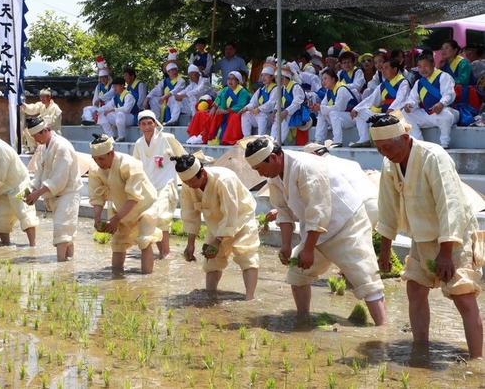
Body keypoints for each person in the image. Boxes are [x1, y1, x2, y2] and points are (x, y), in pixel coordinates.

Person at [370, 114, 483, 358]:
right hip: (421, 237)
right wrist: (385, 251)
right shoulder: (389, 163)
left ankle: (476, 359)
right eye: (379, 149)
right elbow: (387, 207)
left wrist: (446, 252)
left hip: (455, 236)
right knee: (415, 290)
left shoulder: (434, 156)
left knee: (463, 296)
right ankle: (420, 348)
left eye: (388, 147)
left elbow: (450, 205)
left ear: (405, 138)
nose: (384, 153)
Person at [245, 137, 387, 325]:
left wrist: (308, 250)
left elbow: (319, 210)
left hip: (345, 224)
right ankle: (302, 318)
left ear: (273, 158)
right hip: (315, 231)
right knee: (297, 273)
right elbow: (283, 211)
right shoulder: (274, 177)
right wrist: (286, 245)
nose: (260, 174)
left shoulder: (305, 166)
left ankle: (382, 330)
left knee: (366, 279)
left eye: (259, 169)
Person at [174, 154, 260, 300]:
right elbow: (190, 214)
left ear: (202, 172)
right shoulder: (189, 185)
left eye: (191, 182)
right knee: (211, 260)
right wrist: (190, 244)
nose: (189, 185)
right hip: (215, 223)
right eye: (185, 182)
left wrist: (218, 240)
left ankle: (249, 298)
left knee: (246, 254)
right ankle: (210, 294)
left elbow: (231, 212)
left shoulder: (225, 179)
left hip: (241, 217)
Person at [87, 134, 163, 274]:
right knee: (118, 243)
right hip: (120, 208)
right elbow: (97, 196)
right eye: (95, 159)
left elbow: (134, 197)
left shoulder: (130, 164)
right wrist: (97, 217)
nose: (99, 162)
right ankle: (116, 276)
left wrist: (116, 219)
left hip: (144, 206)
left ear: (111, 153)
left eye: (101, 159)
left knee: (144, 241)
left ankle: (147, 278)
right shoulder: (95, 169)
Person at [24, 117, 83, 262]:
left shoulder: (62, 146)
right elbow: (39, 170)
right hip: (55, 192)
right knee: (65, 229)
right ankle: (68, 260)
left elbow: (59, 177)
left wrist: (38, 193)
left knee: (61, 227)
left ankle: (61, 263)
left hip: (69, 191)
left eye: (36, 136)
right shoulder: (43, 147)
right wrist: (33, 187)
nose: (35, 140)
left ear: (44, 131)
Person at [132, 110, 186, 259]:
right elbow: (136, 165)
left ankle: (166, 251)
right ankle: (162, 252)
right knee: (151, 217)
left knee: (162, 216)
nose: (147, 127)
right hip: (149, 187)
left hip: (166, 182)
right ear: (139, 126)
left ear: (155, 123)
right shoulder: (139, 143)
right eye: (143, 124)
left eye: (150, 123)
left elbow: (182, 156)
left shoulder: (167, 138)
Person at [350, 56, 411, 147]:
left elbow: (401, 98)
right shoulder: (383, 85)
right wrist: (356, 108)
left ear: (394, 69)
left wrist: (392, 108)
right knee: (360, 112)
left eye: (386, 68)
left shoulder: (403, 82)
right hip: (384, 115)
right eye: (382, 68)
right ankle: (364, 139)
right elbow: (371, 99)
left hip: (397, 114)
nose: (383, 71)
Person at [402, 52, 458, 149]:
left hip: (446, 111)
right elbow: (412, 99)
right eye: (419, 66)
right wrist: (409, 105)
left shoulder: (444, 76)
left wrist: (441, 104)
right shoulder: (419, 82)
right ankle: (418, 142)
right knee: (404, 113)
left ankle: (444, 142)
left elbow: (449, 94)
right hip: (429, 114)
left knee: (445, 114)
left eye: (425, 65)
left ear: (433, 64)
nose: (423, 69)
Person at [187, 71, 251, 145]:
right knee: (201, 114)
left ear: (238, 81)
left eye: (233, 79)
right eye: (229, 79)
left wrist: (226, 111)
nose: (230, 81)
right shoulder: (225, 89)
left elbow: (241, 105)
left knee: (234, 117)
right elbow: (218, 98)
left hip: (234, 113)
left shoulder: (243, 92)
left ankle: (225, 139)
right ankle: (202, 136)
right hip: (222, 112)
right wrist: (214, 108)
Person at [311, 69, 357, 147]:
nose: (323, 81)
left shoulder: (342, 89)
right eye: (322, 80)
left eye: (325, 79)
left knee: (333, 113)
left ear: (333, 79)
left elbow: (339, 108)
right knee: (322, 113)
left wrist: (321, 108)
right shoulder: (329, 91)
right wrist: (317, 108)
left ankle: (337, 141)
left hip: (352, 117)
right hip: (341, 116)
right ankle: (319, 140)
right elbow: (323, 105)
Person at [269, 64, 308, 144]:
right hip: (285, 111)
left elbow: (297, 103)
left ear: (283, 77)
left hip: (296, 112)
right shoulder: (283, 88)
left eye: (277, 77)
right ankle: (272, 140)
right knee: (277, 117)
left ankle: (279, 141)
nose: (276, 80)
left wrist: (286, 112)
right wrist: (275, 111)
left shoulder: (295, 87)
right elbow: (279, 102)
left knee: (284, 117)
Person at [240, 61, 277, 137]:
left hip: (270, 116)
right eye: (262, 75)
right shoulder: (260, 90)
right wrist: (246, 108)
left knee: (261, 114)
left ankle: (261, 137)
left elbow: (271, 103)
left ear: (272, 76)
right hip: (260, 115)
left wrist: (259, 109)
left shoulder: (276, 89)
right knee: (245, 114)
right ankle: (246, 137)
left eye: (266, 75)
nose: (263, 77)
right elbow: (253, 103)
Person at [143, 61, 186, 126]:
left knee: (174, 97)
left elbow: (176, 90)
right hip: (165, 101)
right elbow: (154, 91)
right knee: (153, 100)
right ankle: (157, 120)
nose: (174, 72)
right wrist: (146, 100)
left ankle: (173, 120)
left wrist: (164, 96)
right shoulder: (164, 81)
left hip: (177, 102)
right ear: (168, 72)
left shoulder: (181, 80)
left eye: (175, 70)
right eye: (172, 70)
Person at [21, 87, 63, 154]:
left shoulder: (55, 107)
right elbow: (33, 108)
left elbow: (51, 122)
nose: (42, 99)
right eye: (41, 97)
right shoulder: (41, 105)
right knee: (28, 130)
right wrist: (24, 106)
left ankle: (42, 148)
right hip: (41, 128)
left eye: (43, 97)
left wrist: (40, 125)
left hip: (52, 131)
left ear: (49, 97)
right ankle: (34, 148)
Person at [99, 76, 138, 141]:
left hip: (131, 118)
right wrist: (97, 111)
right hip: (121, 118)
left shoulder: (129, 95)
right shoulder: (115, 97)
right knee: (102, 114)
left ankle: (121, 137)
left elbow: (127, 109)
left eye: (116, 86)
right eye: (114, 86)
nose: (115, 88)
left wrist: (113, 109)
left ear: (122, 86)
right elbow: (108, 106)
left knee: (120, 114)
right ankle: (111, 136)